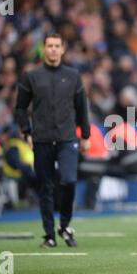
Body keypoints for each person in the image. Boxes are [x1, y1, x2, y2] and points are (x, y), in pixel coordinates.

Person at [15, 33, 91, 248]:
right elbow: (20, 107)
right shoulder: (32, 76)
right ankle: (49, 235)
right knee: (45, 188)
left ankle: (65, 225)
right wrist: (26, 132)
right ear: (44, 49)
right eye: (50, 46)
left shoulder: (73, 75)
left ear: (63, 49)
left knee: (69, 181)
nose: (54, 50)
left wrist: (85, 136)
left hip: (68, 138)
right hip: (41, 139)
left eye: (57, 46)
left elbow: (81, 107)